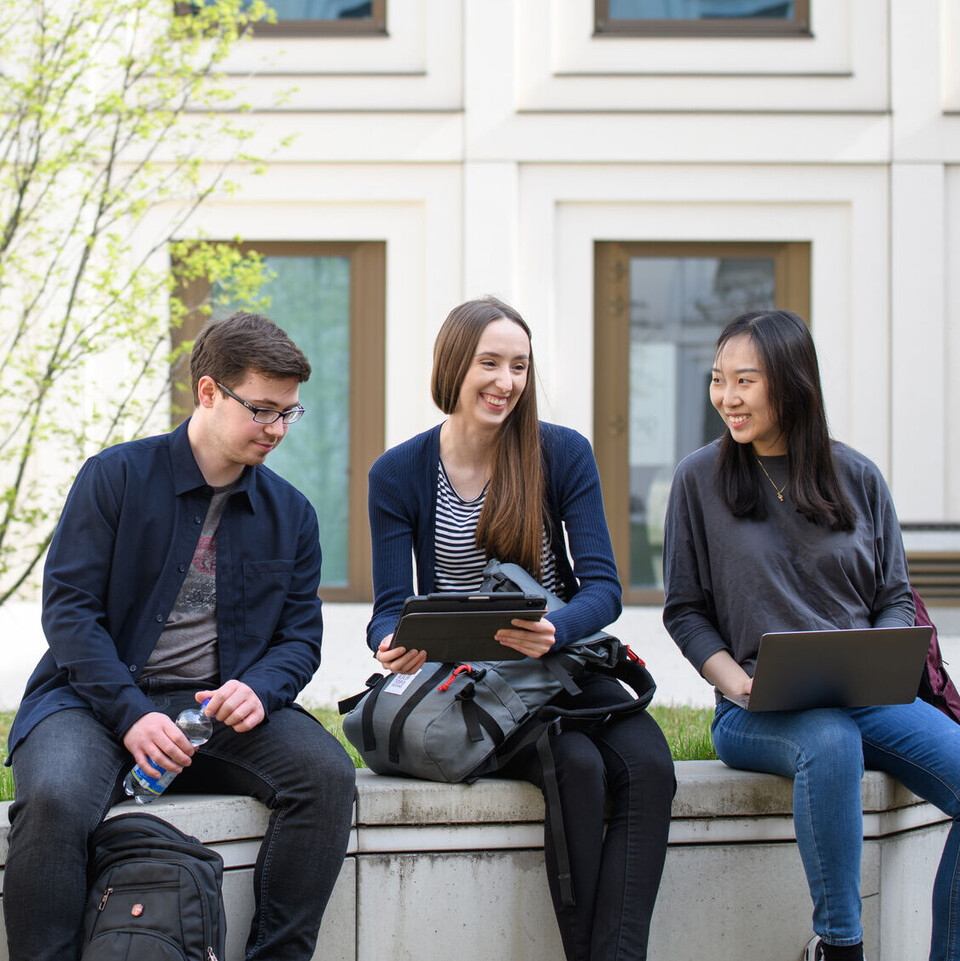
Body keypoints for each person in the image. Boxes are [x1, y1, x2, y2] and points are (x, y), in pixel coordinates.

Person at [4, 311, 357, 961]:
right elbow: (70, 612)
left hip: (217, 712)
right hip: (94, 700)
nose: (278, 428)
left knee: (327, 774)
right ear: (208, 392)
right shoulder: (114, 478)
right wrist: (130, 713)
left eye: (290, 413)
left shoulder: (293, 514)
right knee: (53, 798)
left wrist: (262, 686)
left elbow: (300, 636)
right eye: (263, 410)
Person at [366, 296, 676, 961]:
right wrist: (389, 644)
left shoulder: (560, 452)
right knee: (579, 769)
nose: (506, 381)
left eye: (519, 366)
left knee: (650, 764)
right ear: (454, 365)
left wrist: (558, 628)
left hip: (560, 664)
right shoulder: (398, 473)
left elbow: (604, 588)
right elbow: (389, 605)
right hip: (474, 685)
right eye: (490, 363)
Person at [662, 308, 960, 961]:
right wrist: (733, 680)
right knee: (828, 740)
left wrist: (880, 655)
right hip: (755, 708)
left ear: (792, 382)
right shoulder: (697, 480)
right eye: (718, 380)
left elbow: (894, 594)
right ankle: (839, 943)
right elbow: (684, 609)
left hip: (867, 697)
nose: (726, 398)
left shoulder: (858, 477)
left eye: (745, 380)